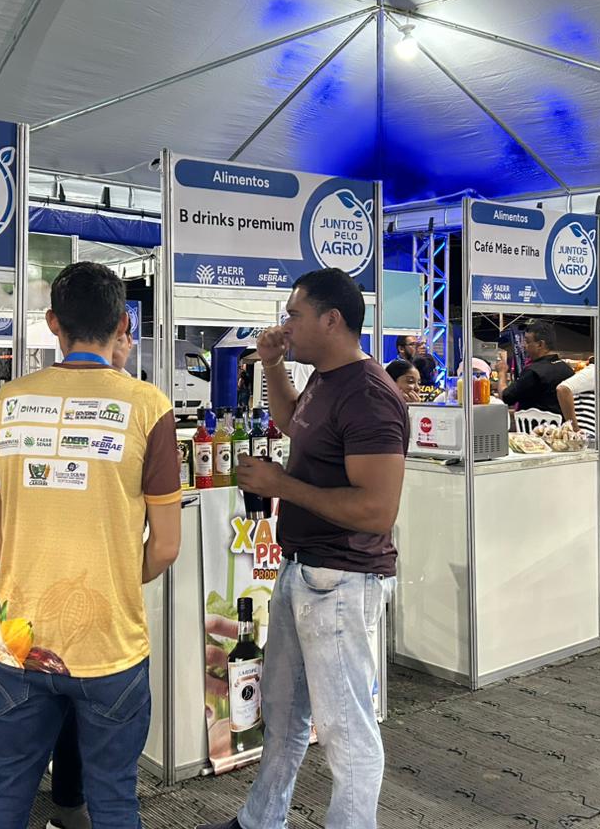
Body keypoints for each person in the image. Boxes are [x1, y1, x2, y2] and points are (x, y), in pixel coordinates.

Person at [0, 262, 181, 829]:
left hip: (18, 640)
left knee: (4, 791)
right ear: (123, 324)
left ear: (52, 323)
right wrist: (116, 574)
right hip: (111, 639)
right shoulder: (149, 407)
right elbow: (165, 546)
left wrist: (35, 570)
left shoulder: (7, 402)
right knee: (113, 799)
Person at [200, 268, 408, 829]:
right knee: (284, 711)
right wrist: (271, 365)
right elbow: (295, 422)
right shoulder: (325, 378)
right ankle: (260, 820)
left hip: (341, 578)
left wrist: (282, 486)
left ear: (331, 319)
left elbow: (377, 510)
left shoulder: (370, 395)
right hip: (305, 571)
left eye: (294, 313)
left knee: (346, 729)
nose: (286, 323)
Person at [495, 321, 574, 415]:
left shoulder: (534, 372)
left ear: (540, 344)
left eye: (527, 342)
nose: (524, 345)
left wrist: (502, 372)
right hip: (563, 423)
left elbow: (506, 397)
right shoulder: (567, 369)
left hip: (535, 423)